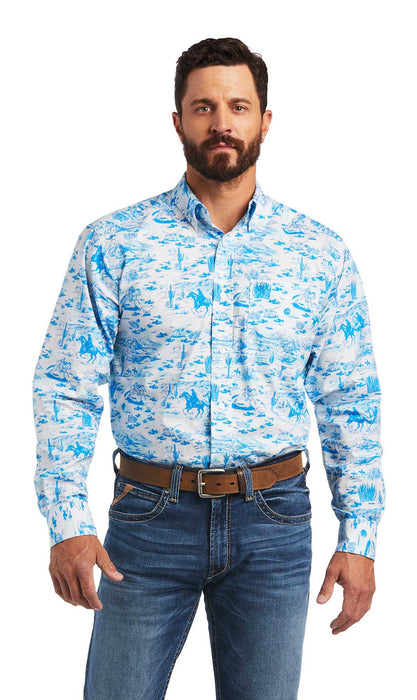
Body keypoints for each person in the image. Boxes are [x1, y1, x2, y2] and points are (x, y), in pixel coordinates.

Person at [32, 37, 385, 700]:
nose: (221, 122)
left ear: (265, 121)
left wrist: (359, 536)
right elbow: (65, 387)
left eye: (238, 106)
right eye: (203, 107)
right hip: (148, 520)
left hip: (273, 522)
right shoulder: (113, 244)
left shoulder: (320, 255)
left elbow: (349, 400)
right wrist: (67, 522)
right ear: (178, 122)